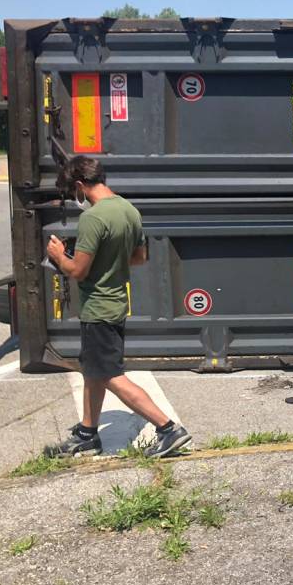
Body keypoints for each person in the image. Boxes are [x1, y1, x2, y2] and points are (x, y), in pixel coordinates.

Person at [45, 155, 191, 458]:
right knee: (93, 370)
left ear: (80, 185)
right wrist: (108, 259)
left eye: (74, 192)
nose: (76, 198)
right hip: (116, 303)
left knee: (109, 374)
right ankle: (87, 432)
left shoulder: (93, 218)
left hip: (97, 307)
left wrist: (59, 255)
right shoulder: (129, 210)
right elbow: (139, 258)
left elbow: (77, 271)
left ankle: (168, 429)